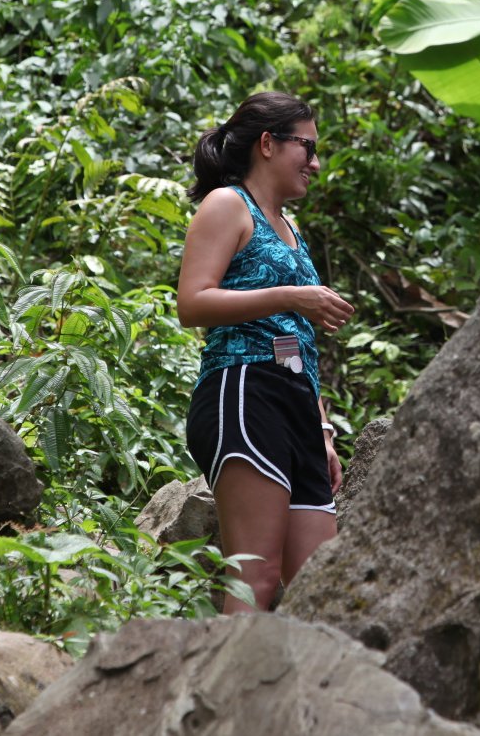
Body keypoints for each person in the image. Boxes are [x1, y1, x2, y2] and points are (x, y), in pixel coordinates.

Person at [177, 91, 354, 612]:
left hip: (296, 403)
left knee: (314, 586)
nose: (316, 163)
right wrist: (289, 296)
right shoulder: (228, 204)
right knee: (255, 576)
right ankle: (222, 693)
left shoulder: (291, 228)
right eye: (308, 147)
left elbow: (297, 340)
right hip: (242, 388)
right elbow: (192, 303)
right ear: (268, 144)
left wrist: (321, 428)